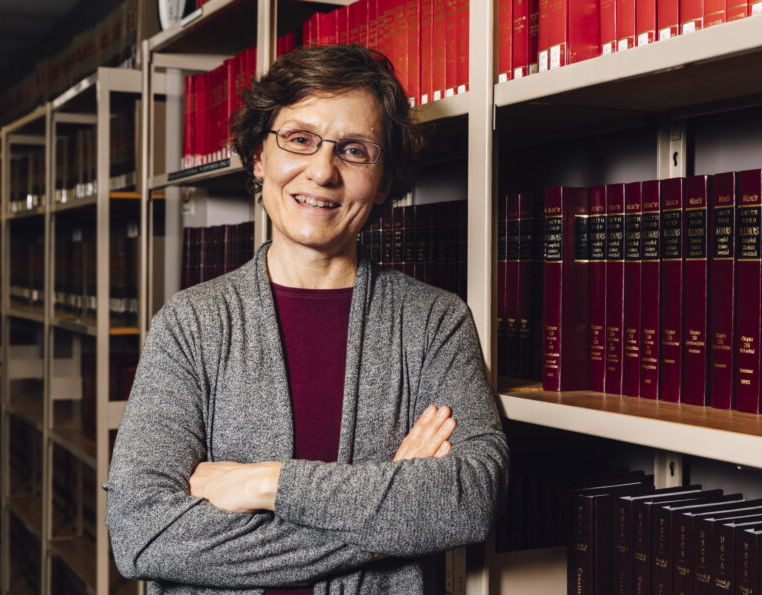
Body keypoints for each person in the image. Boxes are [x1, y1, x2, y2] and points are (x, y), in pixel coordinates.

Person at [104, 44, 508, 594]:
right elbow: (142, 533)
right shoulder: (190, 324)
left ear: (385, 180)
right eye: (298, 140)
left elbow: (471, 499)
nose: (322, 171)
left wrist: (266, 483)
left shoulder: (435, 323)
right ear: (258, 157)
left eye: (355, 150)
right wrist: (389, 522)